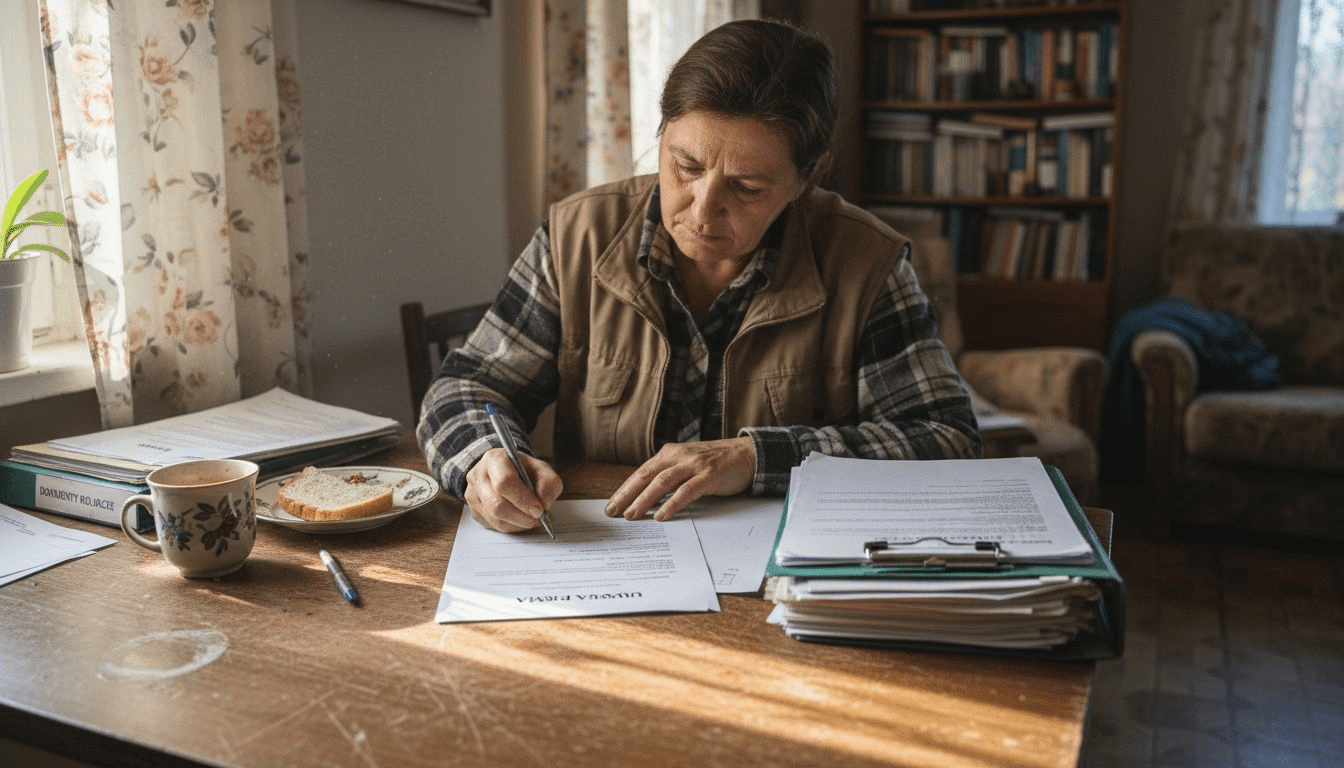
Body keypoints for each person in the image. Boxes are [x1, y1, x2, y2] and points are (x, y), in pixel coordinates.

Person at [417, 18, 982, 534]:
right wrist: (484, 460)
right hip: (609, 558)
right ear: (660, 137)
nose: (702, 209)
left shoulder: (867, 262)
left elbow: (948, 440)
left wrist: (757, 458)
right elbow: (465, 388)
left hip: (784, 570)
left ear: (807, 179)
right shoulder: (578, 235)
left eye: (748, 188)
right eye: (685, 167)